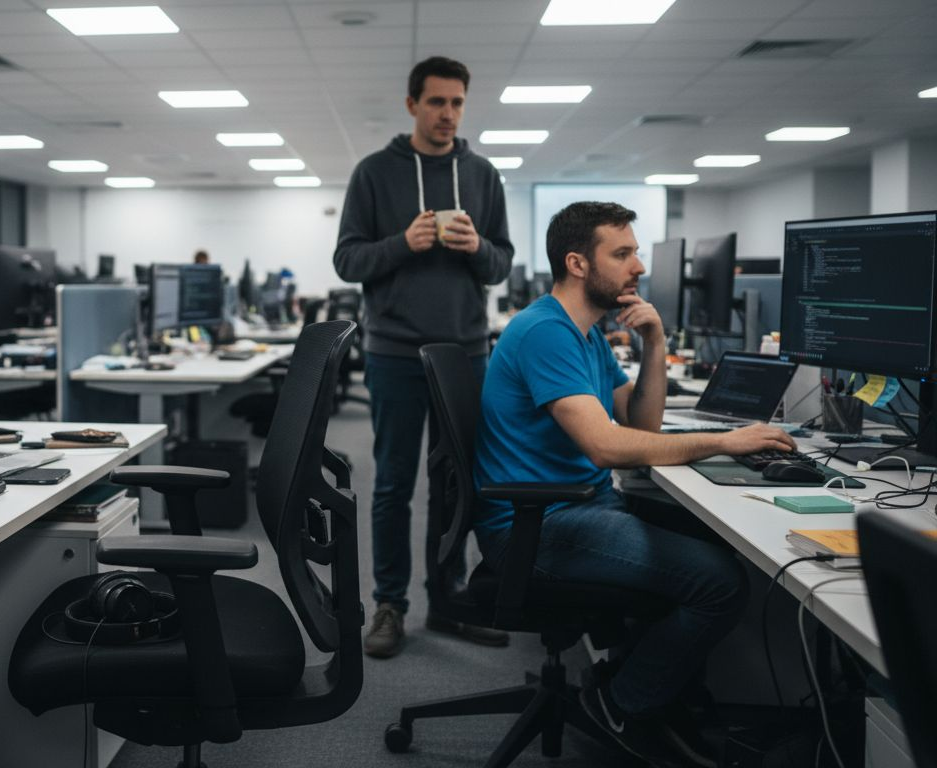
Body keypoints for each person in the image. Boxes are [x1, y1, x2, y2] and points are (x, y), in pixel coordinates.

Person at [474, 201, 797, 767]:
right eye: (621, 253)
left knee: (726, 547)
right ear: (578, 263)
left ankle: (651, 686)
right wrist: (726, 440)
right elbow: (607, 445)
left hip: (584, 507)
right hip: (540, 526)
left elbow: (641, 425)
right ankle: (624, 702)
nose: (638, 266)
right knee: (721, 583)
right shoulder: (546, 333)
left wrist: (654, 343)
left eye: (636, 252)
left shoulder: (586, 333)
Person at [333, 55, 514, 658]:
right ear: (412, 104)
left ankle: (448, 599)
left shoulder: (483, 174)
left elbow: (501, 264)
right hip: (393, 352)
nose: (448, 114)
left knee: (457, 485)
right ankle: (389, 604)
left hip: (465, 352)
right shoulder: (374, 173)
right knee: (392, 485)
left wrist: (477, 246)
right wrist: (402, 243)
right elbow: (348, 261)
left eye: (457, 102)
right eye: (437, 102)